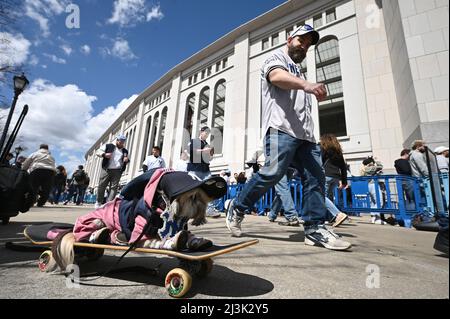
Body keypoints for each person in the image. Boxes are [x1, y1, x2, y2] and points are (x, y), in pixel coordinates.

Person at [225, 24, 351, 251]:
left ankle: (315, 229)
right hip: (279, 130)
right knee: (272, 173)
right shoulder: (275, 58)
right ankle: (238, 206)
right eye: (301, 40)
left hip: (306, 137)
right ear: (289, 38)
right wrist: (307, 85)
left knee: (316, 178)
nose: (304, 46)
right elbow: (275, 76)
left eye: (308, 44)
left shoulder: (298, 70)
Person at [47, 168, 228, 271]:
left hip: (125, 222)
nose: (197, 205)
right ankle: (99, 235)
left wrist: (186, 238)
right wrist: (162, 244)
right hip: (107, 216)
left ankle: (112, 235)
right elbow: (137, 241)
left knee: (178, 235)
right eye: (192, 198)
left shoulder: (174, 211)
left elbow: (173, 228)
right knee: (97, 223)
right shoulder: (145, 212)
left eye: (200, 200)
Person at [187, 126, 221, 218]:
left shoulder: (207, 144)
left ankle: (209, 210)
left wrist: (210, 154)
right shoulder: (194, 141)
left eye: (208, 133)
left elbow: (209, 158)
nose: (206, 135)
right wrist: (203, 151)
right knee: (192, 190)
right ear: (201, 132)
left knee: (210, 187)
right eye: (205, 132)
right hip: (194, 169)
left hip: (205, 169)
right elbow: (192, 152)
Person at [320, 134, 349, 227]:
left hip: (326, 175)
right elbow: (343, 167)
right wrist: (344, 181)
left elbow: (320, 162)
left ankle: (338, 214)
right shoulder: (338, 152)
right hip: (336, 177)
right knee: (328, 197)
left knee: (321, 197)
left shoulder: (324, 149)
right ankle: (329, 218)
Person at [95, 134, 130, 208]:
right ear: (117, 140)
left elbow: (126, 159)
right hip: (106, 169)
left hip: (117, 171)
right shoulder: (108, 146)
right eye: (120, 141)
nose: (121, 143)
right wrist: (104, 154)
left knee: (114, 188)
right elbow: (98, 152)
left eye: (123, 142)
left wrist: (127, 160)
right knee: (102, 185)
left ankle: (109, 204)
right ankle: (99, 202)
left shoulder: (125, 151)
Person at [360, 157, 386, 225]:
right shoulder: (368, 168)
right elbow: (380, 166)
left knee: (373, 202)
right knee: (379, 201)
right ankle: (376, 217)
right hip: (373, 185)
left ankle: (374, 217)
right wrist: (376, 161)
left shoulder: (363, 168)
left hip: (368, 185)